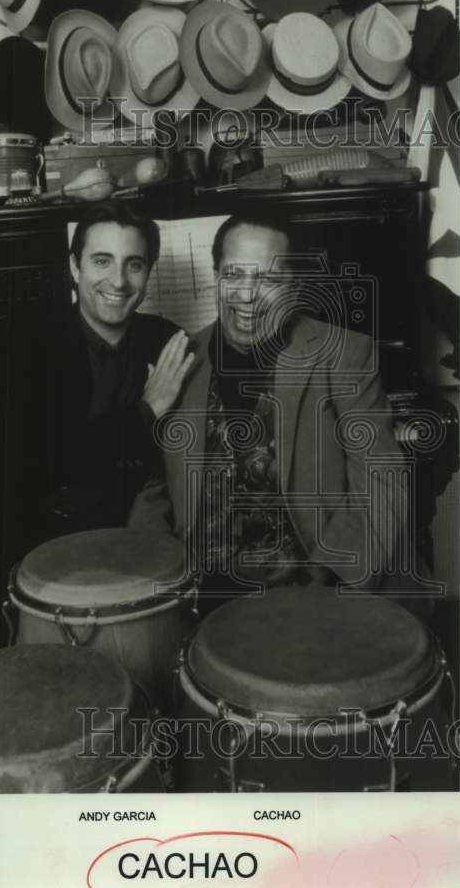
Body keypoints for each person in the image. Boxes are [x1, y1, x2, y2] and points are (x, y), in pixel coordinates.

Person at [0, 202, 193, 694]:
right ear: (74, 267)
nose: (118, 280)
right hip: (20, 535)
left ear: (148, 272)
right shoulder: (25, 342)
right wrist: (146, 411)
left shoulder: (164, 339)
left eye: (134, 264)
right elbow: (47, 460)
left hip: (116, 537)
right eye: (101, 261)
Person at [129, 210, 419, 603]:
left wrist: (332, 586)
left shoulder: (345, 354)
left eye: (268, 279)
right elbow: (157, 486)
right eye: (233, 274)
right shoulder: (183, 357)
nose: (247, 294)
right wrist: (150, 576)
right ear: (216, 278)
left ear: (295, 288)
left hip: (313, 592)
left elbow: (382, 481)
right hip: (202, 593)